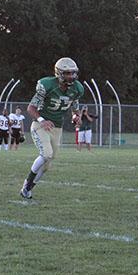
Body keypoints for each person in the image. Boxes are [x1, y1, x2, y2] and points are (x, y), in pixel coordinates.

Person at [20, 57, 84, 199]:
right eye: (67, 73)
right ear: (59, 73)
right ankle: (27, 184)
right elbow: (31, 108)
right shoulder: (47, 85)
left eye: (73, 73)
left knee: (48, 164)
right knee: (46, 154)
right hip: (40, 125)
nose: (71, 76)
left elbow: (75, 109)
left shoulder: (77, 88)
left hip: (57, 127)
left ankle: (28, 189)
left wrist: (76, 117)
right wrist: (42, 120)